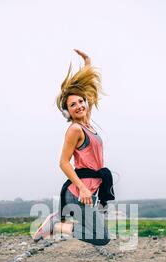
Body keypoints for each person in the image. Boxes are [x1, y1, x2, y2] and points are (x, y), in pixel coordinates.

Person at [32, 49, 114, 246]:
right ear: (68, 112)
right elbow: (63, 162)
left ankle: (57, 223)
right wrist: (83, 188)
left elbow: (88, 89)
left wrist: (88, 62)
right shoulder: (75, 129)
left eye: (80, 102)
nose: (78, 106)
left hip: (88, 190)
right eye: (72, 105)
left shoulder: (88, 124)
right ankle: (56, 225)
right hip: (78, 192)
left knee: (98, 234)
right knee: (101, 238)